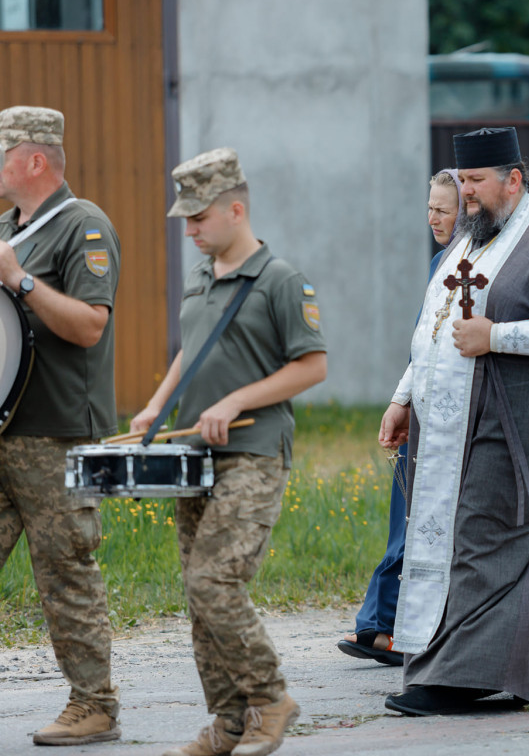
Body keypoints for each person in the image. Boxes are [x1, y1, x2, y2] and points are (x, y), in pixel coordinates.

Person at [379, 126, 529, 716]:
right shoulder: (469, 240)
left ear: (513, 180)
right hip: (455, 422)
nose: (466, 192)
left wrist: (497, 337)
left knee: (482, 540)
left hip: (516, 421)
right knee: (464, 541)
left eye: (476, 181)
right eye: (463, 180)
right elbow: (435, 326)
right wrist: (403, 396)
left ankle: (458, 679)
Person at [130, 148, 327, 755]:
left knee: (216, 580)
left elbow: (312, 367)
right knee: (197, 592)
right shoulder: (201, 275)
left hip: (254, 453)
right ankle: (230, 722)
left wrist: (236, 400)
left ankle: (271, 699)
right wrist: (157, 407)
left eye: (198, 219)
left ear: (235, 209)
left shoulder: (281, 280)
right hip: (195, 454)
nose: (188, 230)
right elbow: (192, 351)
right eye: (186, 220)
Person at [0, 105, 122, 745]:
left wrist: (17, 279)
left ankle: (94, 706)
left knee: (66, 572)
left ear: (34, 158)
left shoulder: (83, 227)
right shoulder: (5, 228)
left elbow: (89, 325)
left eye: (1, 152)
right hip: (5, 426)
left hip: (59, 433)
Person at [338, 169, 463, 666]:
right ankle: (381, 624)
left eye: (443, 208)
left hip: (463, 414)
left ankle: (394, 626)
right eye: (429, 207)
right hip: (426, 405)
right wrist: (402, 400)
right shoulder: (440, 262)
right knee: (406, 518)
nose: (432, 217)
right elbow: (423, 344)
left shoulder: (481, 264)